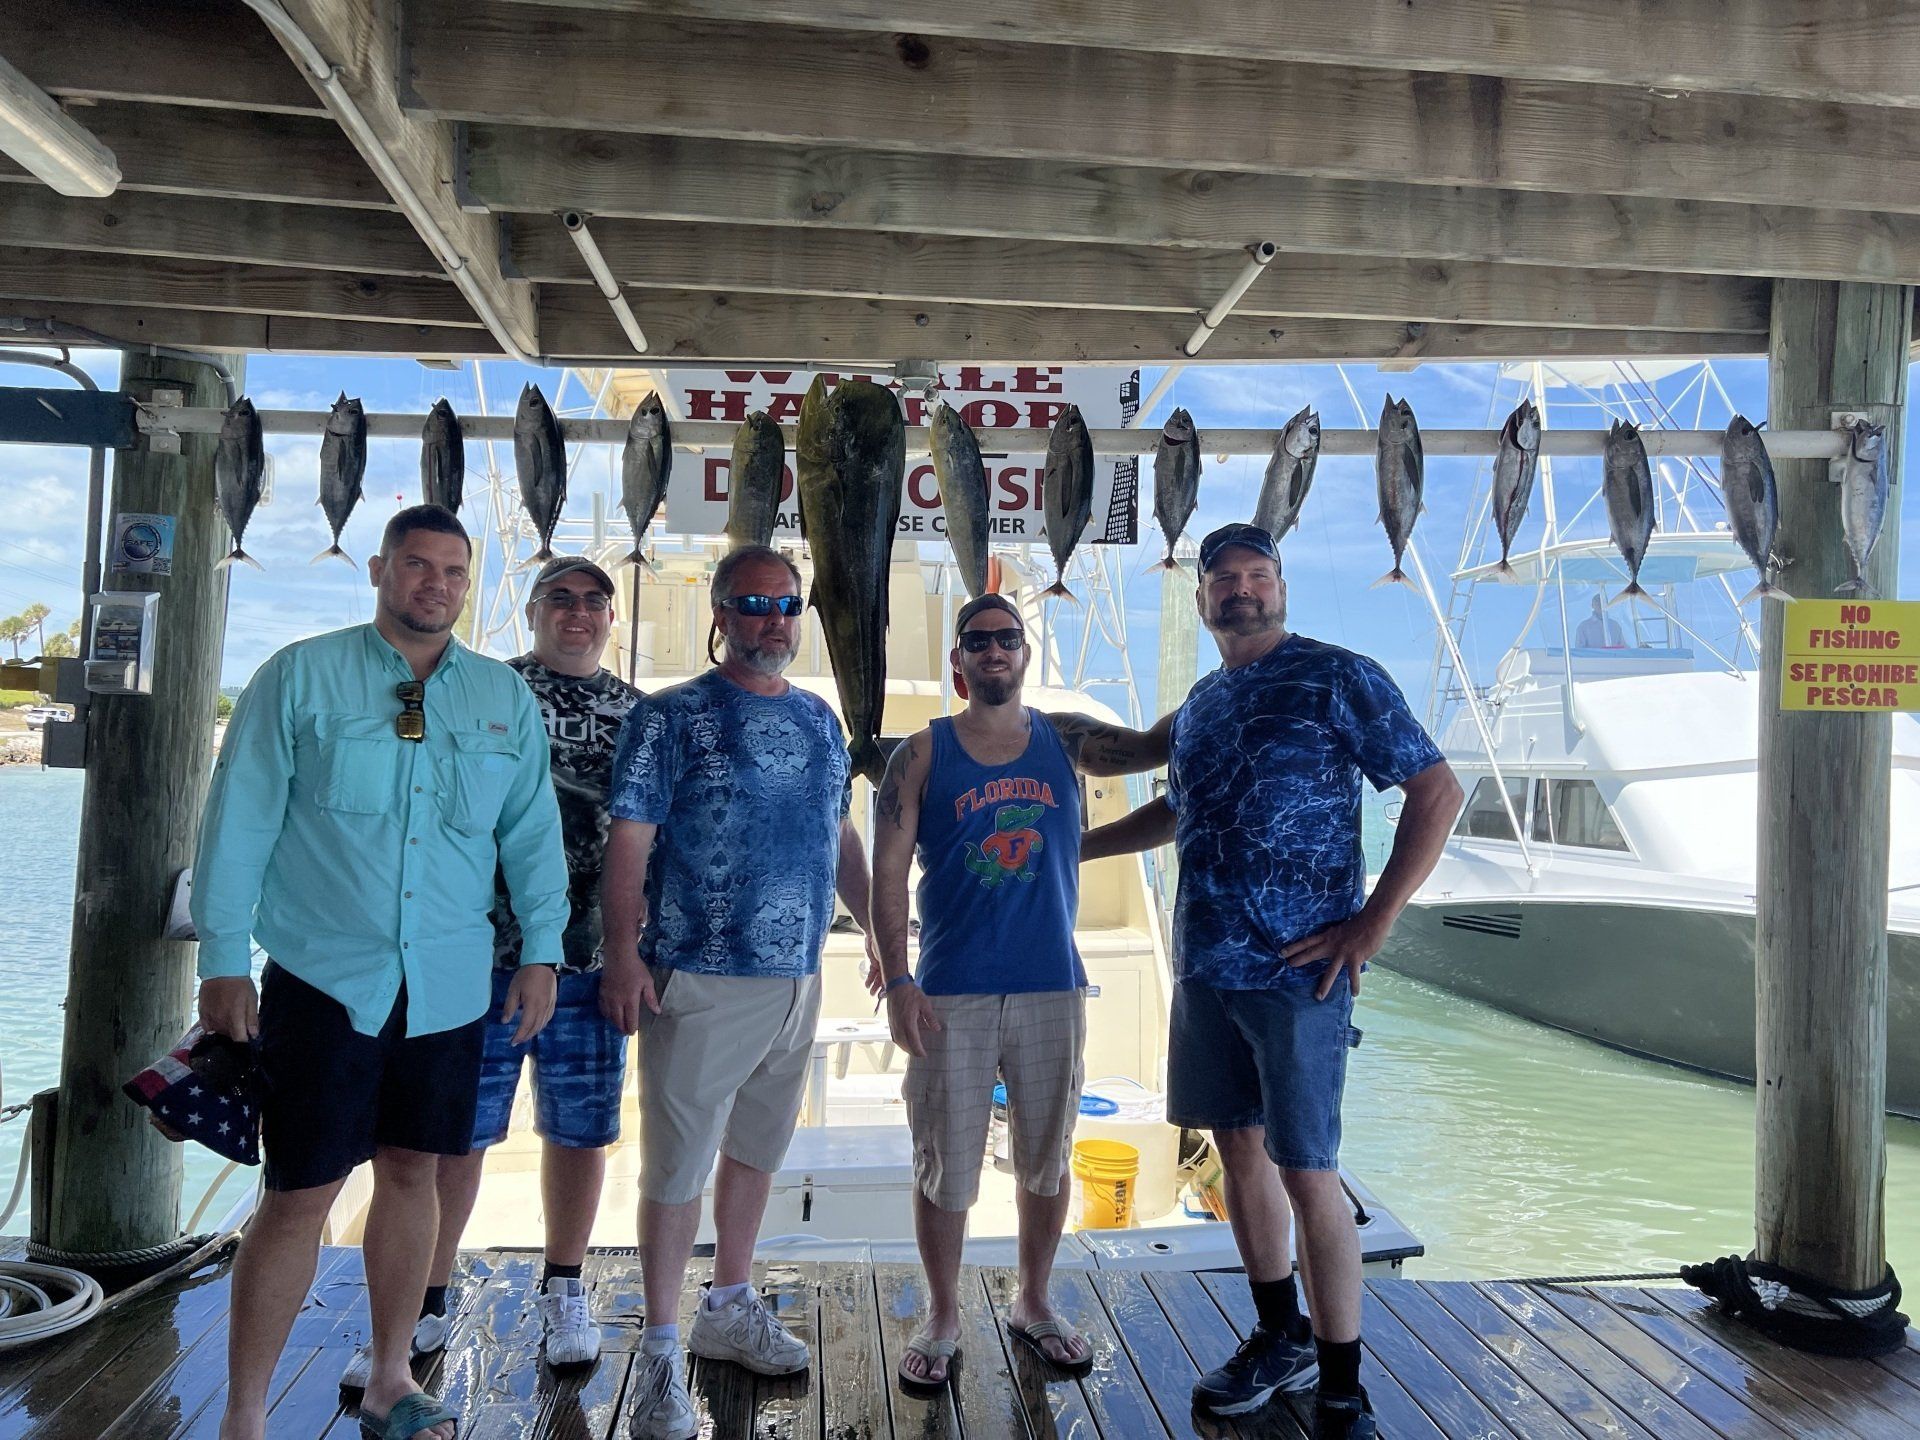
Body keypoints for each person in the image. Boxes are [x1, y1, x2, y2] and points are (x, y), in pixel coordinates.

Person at [193, 505, 569, 1440]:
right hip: (324, 981)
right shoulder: (299, 676)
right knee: (299, 1193)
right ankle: (243, 1413)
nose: (435, 584)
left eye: (453, 570)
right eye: (416, 564)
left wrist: (543, 951)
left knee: (415, 1173)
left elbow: (532, 835)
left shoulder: (501, 697)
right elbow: (238, 821)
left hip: (449, 984)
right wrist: (223, 960)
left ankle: (393, 1376)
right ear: (378, 570)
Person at [1082, 523, 1461, 1440]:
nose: (1241, 589)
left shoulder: (1338, 676)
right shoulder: (1204, 701)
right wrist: (1077, 848)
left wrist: (1371, 923)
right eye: (1224, 578)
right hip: (1206, 967)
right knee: (1238, 1155)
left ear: (1282, 588)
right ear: (1203, 597)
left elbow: (1437, 791)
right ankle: (1278, 1335)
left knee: (1309, 1171)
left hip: (1301, 976)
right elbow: (1179, 810)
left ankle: (1343, 1388)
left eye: (1258, 574)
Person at [337, 555, 645, 1391]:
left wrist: (635, 950)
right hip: (472, 959)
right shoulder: (482, 690)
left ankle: (565, 1288)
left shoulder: (639, 714)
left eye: (593, 600)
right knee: (455, 1136)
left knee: (581, 1131)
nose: (577, 612)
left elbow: (655, 837)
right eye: (559, 598)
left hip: (589, 960)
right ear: (533, 611)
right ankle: (424, 1300)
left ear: (609, 618)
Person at [599, 544, 879, 1440]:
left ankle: (727, 1304)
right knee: (677, 1166)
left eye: (788, 604)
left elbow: (840, 838)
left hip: (798, 976)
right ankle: (660, 1348)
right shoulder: (670, 717)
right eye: (755, 604)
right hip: (700, 973)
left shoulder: (821, 719)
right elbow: (630, 841)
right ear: (720, 614)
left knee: (757, 1151)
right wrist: (621, 955)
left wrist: (881, 931)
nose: (774, 620)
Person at [870, 594, 1171, 1390]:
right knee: (945, 1166)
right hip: (950, 991)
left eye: (1008, 638)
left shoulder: (1064, 739)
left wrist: (1224, 695)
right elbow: (887, 873)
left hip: (1050, 986)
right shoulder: (921, 754)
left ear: (1025, 654)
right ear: (959, 662)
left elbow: (1150, 749)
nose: (994, 649)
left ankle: (1033, 1301)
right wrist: (897, 979)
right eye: (979, 641)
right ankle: (942, 1315)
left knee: (1046, 1159)